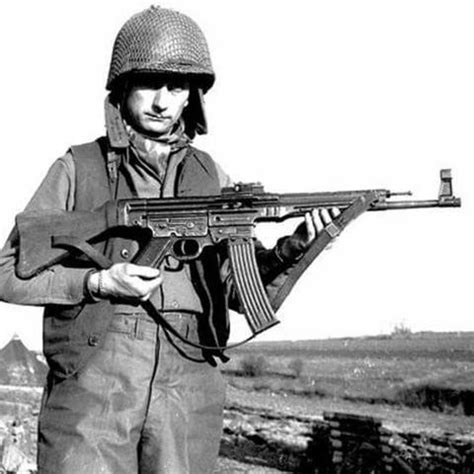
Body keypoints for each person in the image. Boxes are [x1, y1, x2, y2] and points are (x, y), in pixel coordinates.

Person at [0, 6, 337, 474]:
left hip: (188, 379)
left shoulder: (210, 174)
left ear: (191, 97)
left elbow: (240, 292)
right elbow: (8, 273)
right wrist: (97, 284)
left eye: (176, 87)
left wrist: (294, 247)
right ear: (122, 89)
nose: (161, 101)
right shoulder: (78, 168)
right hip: (96, 382)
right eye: (149, 84)